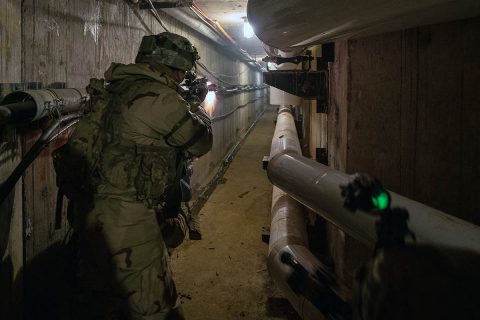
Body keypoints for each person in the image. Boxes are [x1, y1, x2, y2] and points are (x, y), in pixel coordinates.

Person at [74, 32, 213, 320]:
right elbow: (201, 141)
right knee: (155, 307)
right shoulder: (160, 98)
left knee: (103, 301)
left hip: (87, 209)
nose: (182, 77)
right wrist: (198, 107)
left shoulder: (114, 90)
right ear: (174, 67)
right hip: (127, 220)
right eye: (182, 71)